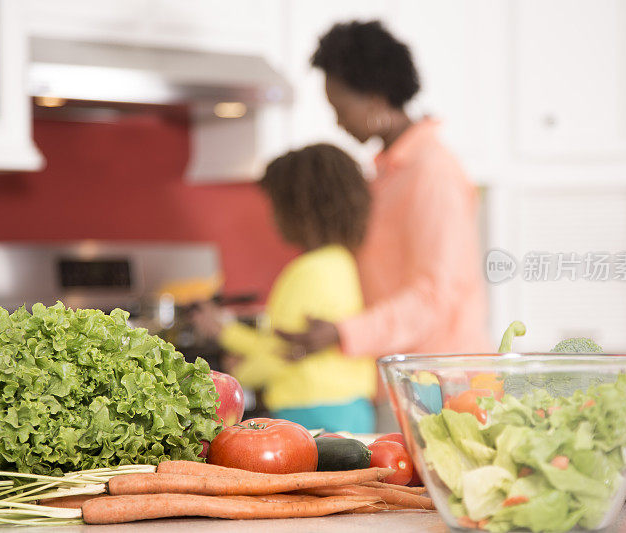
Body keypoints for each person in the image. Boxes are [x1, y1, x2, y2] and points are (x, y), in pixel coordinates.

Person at [280, 20, 490, 363]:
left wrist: (343, 332)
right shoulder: (387, 173)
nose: (338, 123)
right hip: (407, 372)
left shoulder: (432, 173)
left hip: (443, 381)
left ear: (376, 100)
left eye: (341, 109)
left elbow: (435, 296)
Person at [191, 144, 377, 433]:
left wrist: (237, 375)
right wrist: (225, 332)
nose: (272, 216)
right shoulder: (338, 262)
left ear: (299, 208)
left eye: (276, 204)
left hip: (313, 410)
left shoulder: (308, 271)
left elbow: (282, 355)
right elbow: (283, 344)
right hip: (345, 406)